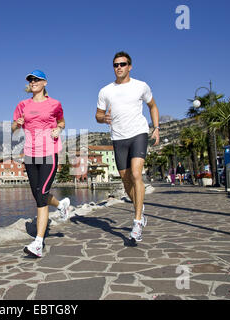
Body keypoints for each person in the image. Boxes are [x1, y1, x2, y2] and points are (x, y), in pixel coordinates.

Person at [95, 52, 160, 242]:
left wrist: (156, 128)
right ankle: (140, 208)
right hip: (118, 138)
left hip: (139, 134)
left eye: (123, 64)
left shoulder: (141, 86)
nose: (119, 67)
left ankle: (137, 221)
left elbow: (153, 106)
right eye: (115, 65)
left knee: (136, 174)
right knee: (125, 179)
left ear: (130, 66)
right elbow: (97, 115)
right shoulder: (105, 91)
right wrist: (103, 118)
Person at [12, 69, 70, 258]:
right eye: (31, 79)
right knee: (38, 194)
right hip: (30, 154)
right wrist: (17, 124)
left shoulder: (55, 104)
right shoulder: (22, 105)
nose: (33, 82)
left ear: (45, 83)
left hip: (49, 153)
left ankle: (38, 242)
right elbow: (13, 128)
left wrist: (58, 130)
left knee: (42, 193)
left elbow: (61, 122)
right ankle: (61, 205)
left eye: (37, 79)